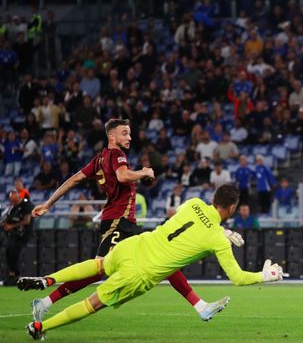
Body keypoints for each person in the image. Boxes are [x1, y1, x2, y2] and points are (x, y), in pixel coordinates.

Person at [28, 119, 230, 323]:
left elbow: (73, 179)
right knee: (99, 268)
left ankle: (200, 306)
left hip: (123, 222)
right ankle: (45, 300)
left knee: (163, 260)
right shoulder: (117, 155)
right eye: (124, 133)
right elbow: (123, 176)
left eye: (130, 133)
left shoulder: (99, 159)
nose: (129, 137)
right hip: (118, 221)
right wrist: (143, 172)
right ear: (112, 137)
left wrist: (48, 204)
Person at [18, 185, 284, 340]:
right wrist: (265, 276)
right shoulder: (217, 239)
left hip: (136, 245)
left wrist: (220, 230)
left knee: (97, 265)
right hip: (142, 272)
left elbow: (188, 222)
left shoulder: (192, 203)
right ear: (233, 208)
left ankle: (49, 279)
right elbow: (237, 278)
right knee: (95, 302)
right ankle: (42, 326)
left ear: (213, 198)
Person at [2, 190, 34, 286]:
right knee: (8, 253)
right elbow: (8, 217)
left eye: (14, 200)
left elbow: (27, 221)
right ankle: (12, 275)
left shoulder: (27, 204)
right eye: (12, 200)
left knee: (15, 254)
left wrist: (11, 226)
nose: (13, 202)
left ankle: (18, 275)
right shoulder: (13, 206)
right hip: (14, 234)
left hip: (24, 234)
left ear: (18, 197)